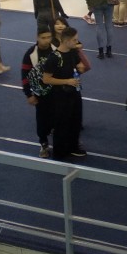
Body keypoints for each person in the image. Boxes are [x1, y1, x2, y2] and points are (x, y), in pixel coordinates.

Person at [41, 26, 88, 160]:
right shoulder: (54, 58)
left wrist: (80, 68)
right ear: (66, 41)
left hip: (74, 92)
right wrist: (67, 81)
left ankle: (73, 146)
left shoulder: (73, 52)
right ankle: (60, 152)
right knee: (62, 124)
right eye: (74, 40)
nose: (77, 42)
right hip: (60, 96)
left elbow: (80, 66)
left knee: (75, 120)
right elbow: (46, 79)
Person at [21, 24, 56, 158]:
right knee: (42, 119)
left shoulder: (56, 50)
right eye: (43, 38)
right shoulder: (30, 54)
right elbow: (24, 75)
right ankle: (43, 143)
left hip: (56, 91)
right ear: (37, 38)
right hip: (40, 93)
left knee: (56, 115)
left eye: (49, 37)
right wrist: (28, 94)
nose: (46, 40)